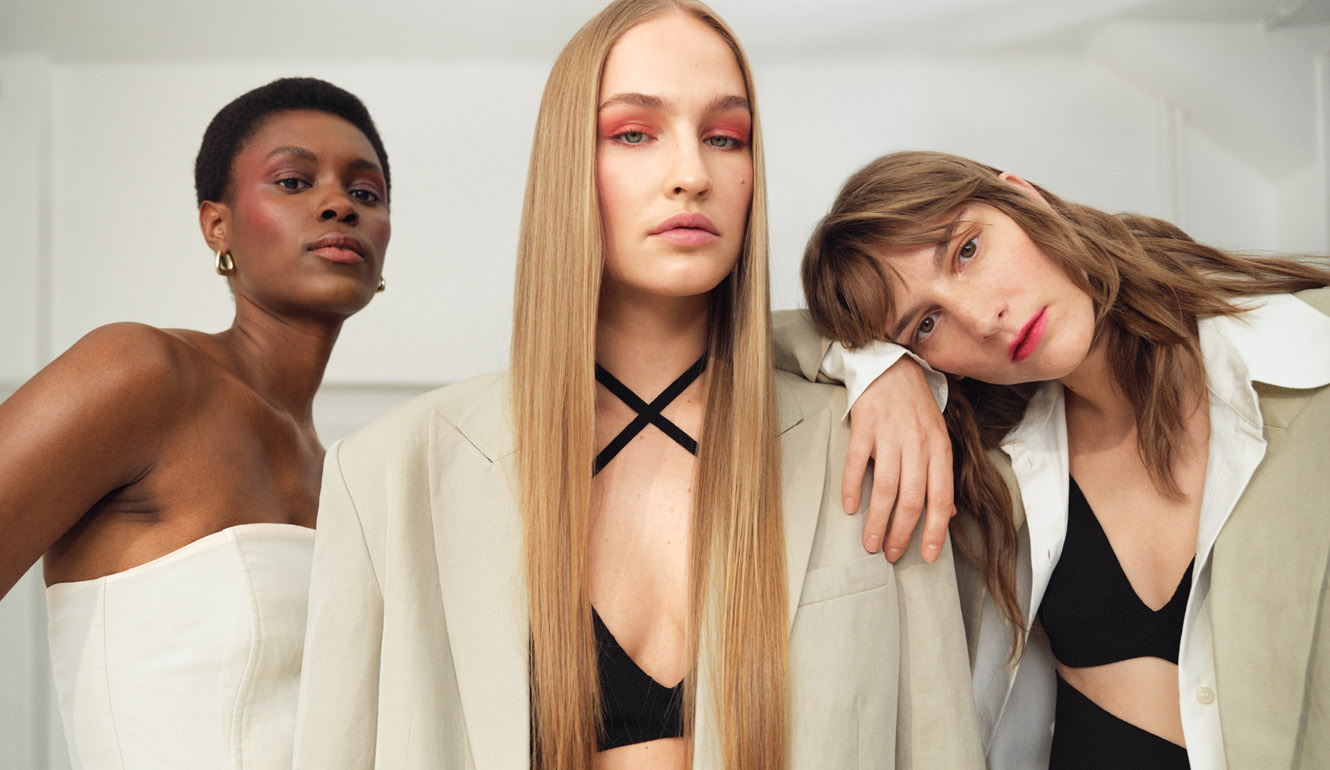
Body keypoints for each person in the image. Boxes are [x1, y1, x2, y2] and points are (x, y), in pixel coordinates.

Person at [293, 5, 982, 770]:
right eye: (634, 133)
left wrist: (883, 363)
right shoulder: (390, 475)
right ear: (567, 164)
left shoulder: (870, 446)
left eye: (725, 138)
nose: (692, 173)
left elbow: (940, 742)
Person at [798, 149, 1330, 769]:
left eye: (966, 250)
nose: (981, 317)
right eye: (925, 325)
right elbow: (746, 347)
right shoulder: (993, 469)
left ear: (1024, 197)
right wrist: (873, 369)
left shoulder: (1304, 358)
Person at [0, 77, 391, 769]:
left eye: (365, 193)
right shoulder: (142, 371)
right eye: (295, 181)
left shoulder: (348, 483)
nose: (340, 204)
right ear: (218, 224)